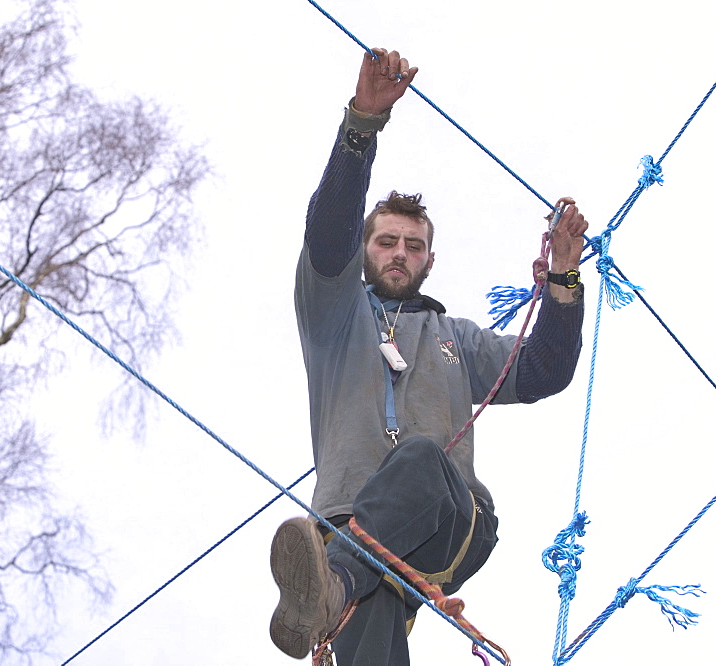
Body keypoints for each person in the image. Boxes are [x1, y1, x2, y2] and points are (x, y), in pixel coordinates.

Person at [269, 47, 589, 665]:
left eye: (413, 246)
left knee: (418, 456)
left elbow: (548, 368)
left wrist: (565, 279)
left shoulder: (458, 339)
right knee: (368, 639)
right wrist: (361, 123)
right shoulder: (333, 316)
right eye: (385, 241)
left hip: (450, 519)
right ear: (365, 251)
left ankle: (332, 589)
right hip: (344, 535)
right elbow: (328, 231)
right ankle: (332, 593)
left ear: (430, 261)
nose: (398, 253)